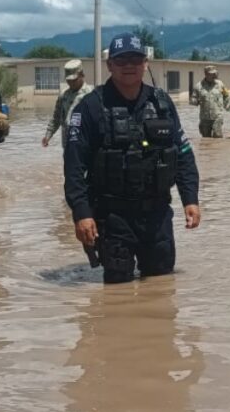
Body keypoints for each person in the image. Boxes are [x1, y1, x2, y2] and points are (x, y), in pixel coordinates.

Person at [64, 32, 201, 284]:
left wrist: (190, 198)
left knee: (161, 286)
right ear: (110, 65)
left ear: (145, 63)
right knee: (117, 289)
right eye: (121, 60)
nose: (129, 65)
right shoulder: (90, 107)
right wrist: (81, 213)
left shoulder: (161, 103)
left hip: (157, 214)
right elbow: (74, 167)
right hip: (112, 216)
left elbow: (183, 154)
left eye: (135, 59)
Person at [42, 59, 92, 149]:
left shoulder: (91, 94)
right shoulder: (63, 95)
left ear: (82, 75)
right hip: (67, 145)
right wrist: (48, 136)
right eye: (68, 80)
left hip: (85, 145)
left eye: (74, 80)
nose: (71, 83)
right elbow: (56, 118)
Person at [189, 65, 230, 138]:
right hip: (204, 118)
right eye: (212, 74)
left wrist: (228, 106)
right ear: (206, 74)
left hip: (217, 116)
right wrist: (194, 101)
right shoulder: (199, 86)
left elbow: (226, 96)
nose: (214, 75)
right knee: (206, 139)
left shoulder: (220, 84)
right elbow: (194, 99)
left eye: (215, 73)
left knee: (217, 136)